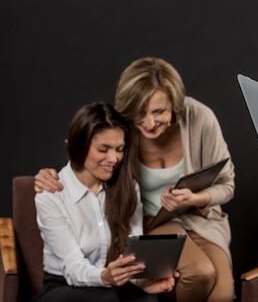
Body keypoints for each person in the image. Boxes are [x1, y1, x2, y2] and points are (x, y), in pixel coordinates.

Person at [34, 57, 236, 302]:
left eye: (159, 111)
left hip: (199, 218)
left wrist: (196, 197)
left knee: (222, 294)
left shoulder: (198, 119)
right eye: (141, 113)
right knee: (199, 272)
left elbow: (227, 183)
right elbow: (90, 144)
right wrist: (51, 174)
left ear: (175, 104)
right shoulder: (122, 127)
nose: (149, 123)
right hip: (150, 222)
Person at [34, 102, 176, 302]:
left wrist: (141, 281)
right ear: (79, 145)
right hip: (64, 286)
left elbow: (131, 254)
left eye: (119, 149)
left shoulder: (128, 187)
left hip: (111, 283)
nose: (113, 158)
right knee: (105, 298)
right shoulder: (51, 195)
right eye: (103, 149)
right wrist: (104, 277)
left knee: (148, 298)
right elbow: (73, 267)